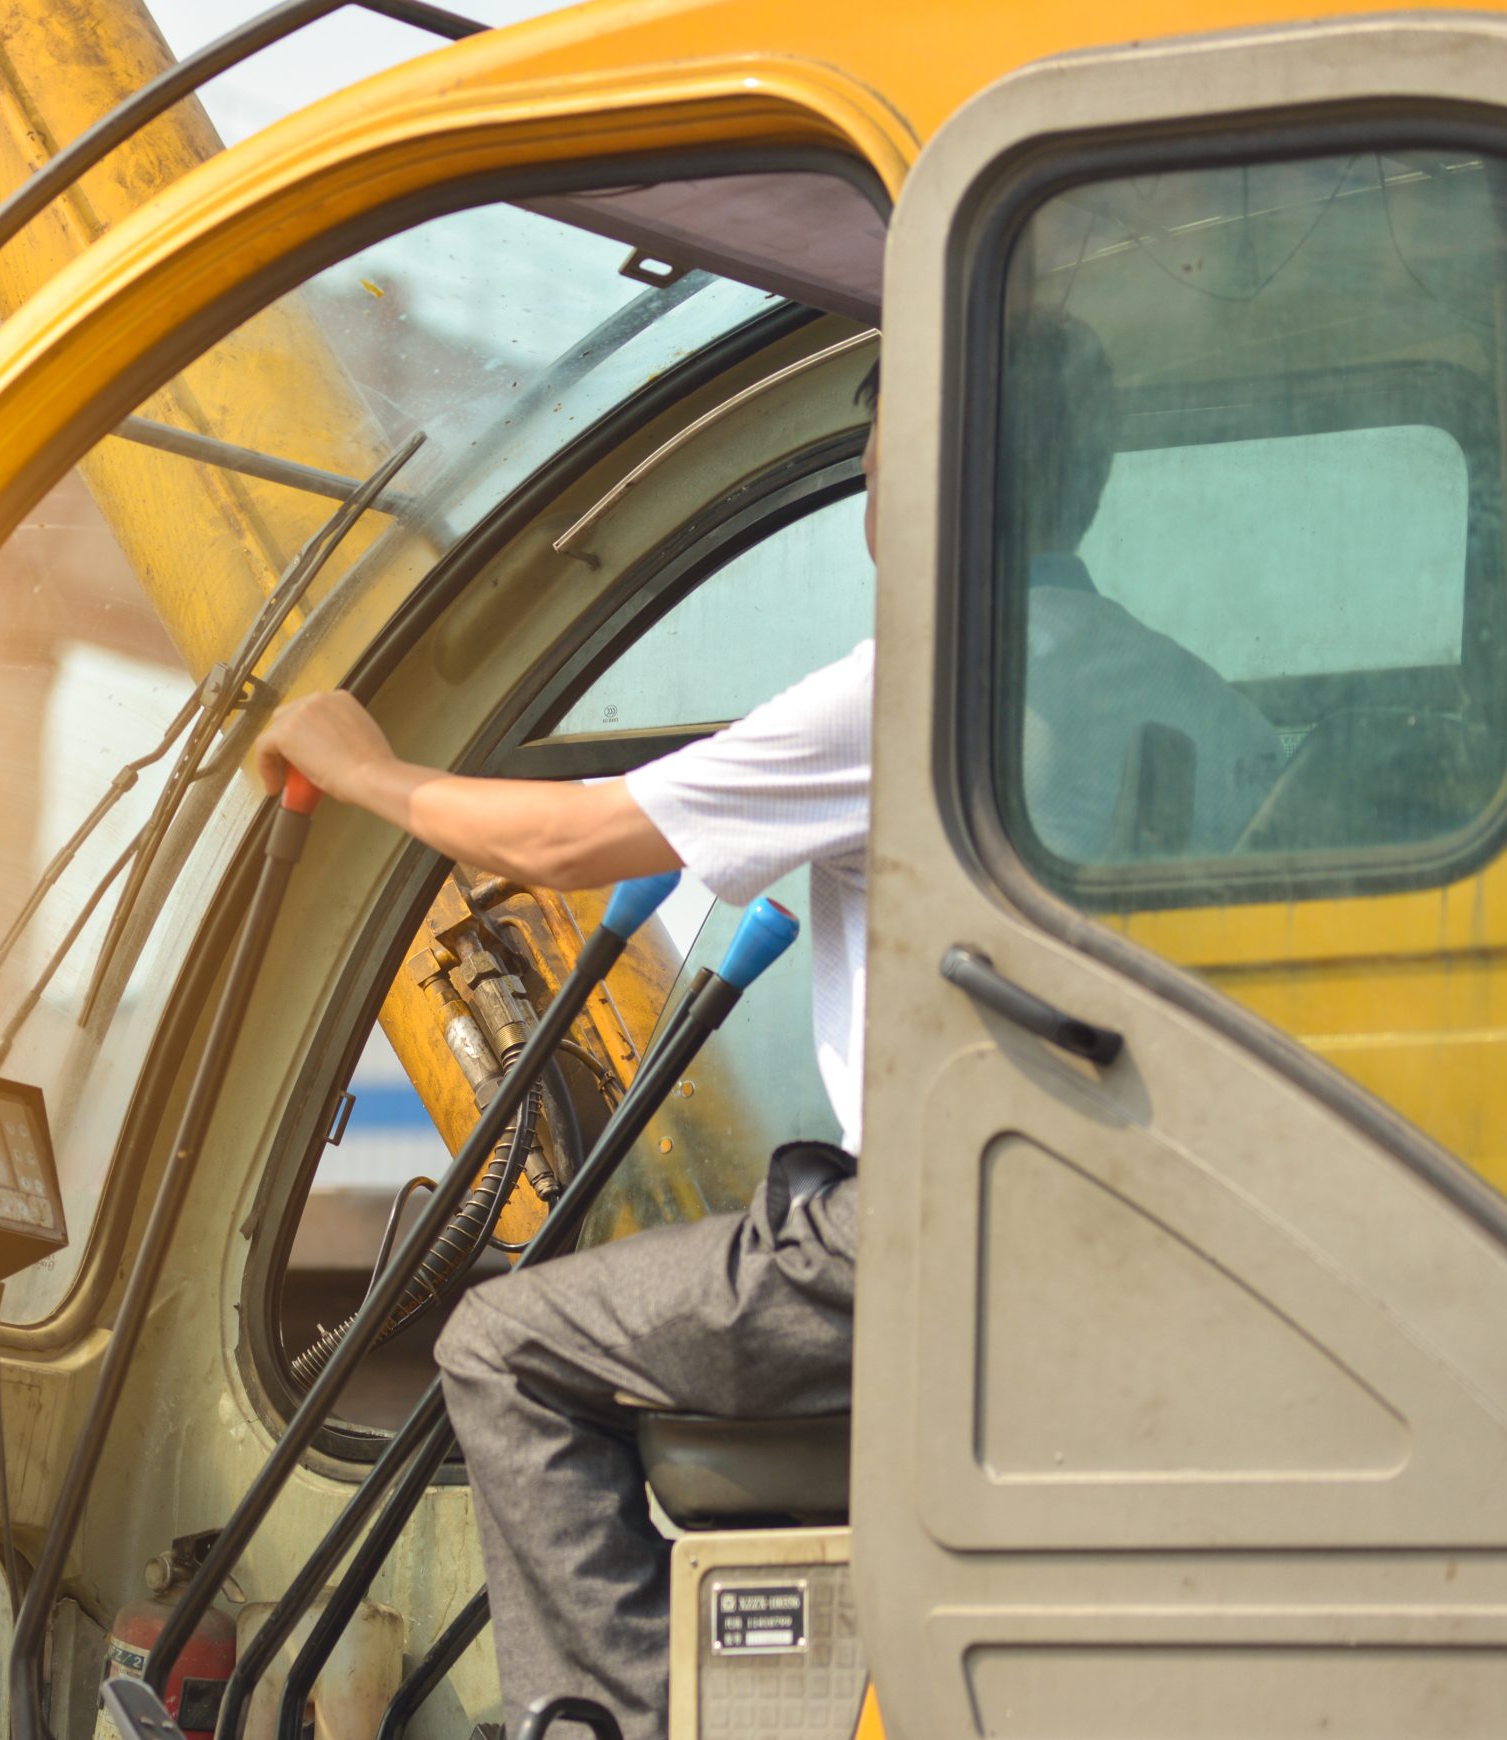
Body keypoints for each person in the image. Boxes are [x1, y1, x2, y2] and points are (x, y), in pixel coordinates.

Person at [251, 311, 1283, 1737]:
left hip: (918, 1240)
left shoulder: (922, 682)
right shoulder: (1196, 700)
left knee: (502, 1344)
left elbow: (560, 842)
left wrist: (361, 768)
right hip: (1123, 1227)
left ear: (915, 470)